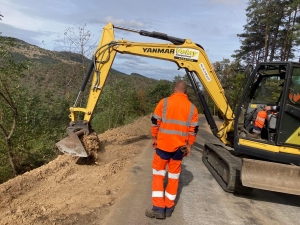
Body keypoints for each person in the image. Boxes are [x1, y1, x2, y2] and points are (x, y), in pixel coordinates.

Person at [145, 80, 199, 219]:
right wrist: (189, 146)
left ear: (175, 89)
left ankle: (158, 208)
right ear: (185, 92)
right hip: (179, 149)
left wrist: (154, 137)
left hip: (163, 146)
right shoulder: (192, 108)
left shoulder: (164, 102)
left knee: (158, 176)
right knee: (174, 177)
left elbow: (155, 121)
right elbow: (193, 131)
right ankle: (168, 207)